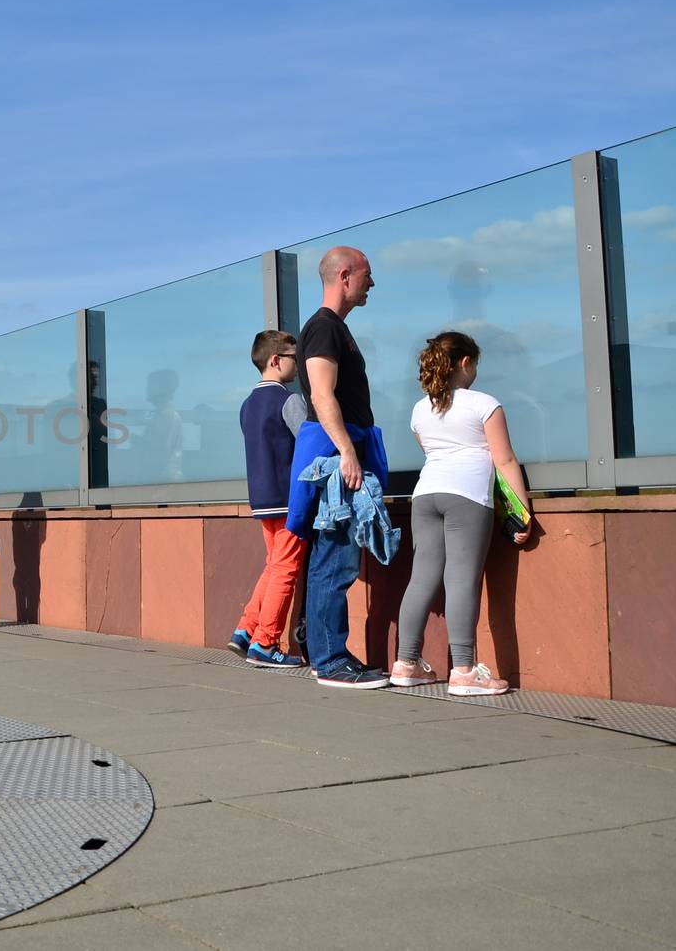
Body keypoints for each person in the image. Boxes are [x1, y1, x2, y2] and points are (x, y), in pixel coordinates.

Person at [391, 332, 532, 696]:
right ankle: (465, 671)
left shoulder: (421, 408)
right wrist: (523, 514)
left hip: (425, 495)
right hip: (467, 495)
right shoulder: (484, 403)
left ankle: (406, 663)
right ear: (465, 363)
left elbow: (431, 451)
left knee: (421, 579)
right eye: (476, 365)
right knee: (460, 580)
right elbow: (504, 460)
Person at [287, 246, 392, 688]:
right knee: (336, 558)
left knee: (332, 556)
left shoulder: (332, 329)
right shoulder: (324, 329)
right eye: (367, 275)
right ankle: (330, 661)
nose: (371, 283)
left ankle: (324, 653)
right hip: (338, 461)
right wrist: (348, 452)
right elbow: (322, 395)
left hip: (343, 452)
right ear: (344, 275)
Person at [228, 331, 309, 669]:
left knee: (274, 565)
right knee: (286, 569)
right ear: (276, 360)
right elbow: (308, 444)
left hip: (262, 500)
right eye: (293, 357)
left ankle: (245, 630)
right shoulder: (288, 400)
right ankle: (265, 642)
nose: (298, 364)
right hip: (289, 499)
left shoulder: (248, 404)